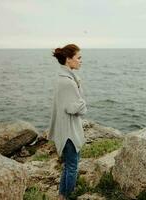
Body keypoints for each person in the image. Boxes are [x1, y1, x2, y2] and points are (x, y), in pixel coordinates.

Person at [49, 44, 87, 200]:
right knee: (72, 167)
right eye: (78, 58)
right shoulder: (68, 82)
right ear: (68, 59)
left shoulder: (63, 78)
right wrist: (83, 104)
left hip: (64, 129)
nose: (80, 61)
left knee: (68, 166)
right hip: (69, 132)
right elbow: (73, 108)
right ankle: (67, 196)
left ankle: (61, 196)